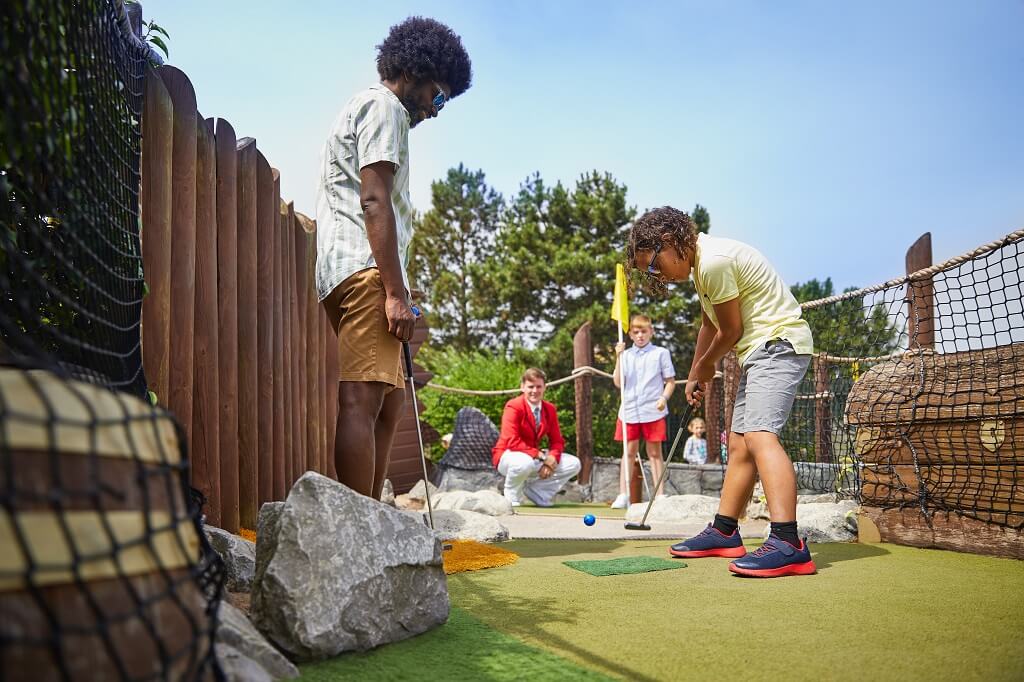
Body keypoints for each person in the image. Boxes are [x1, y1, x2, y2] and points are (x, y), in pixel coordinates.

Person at [315, 17, 472, 499]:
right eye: (439, 96)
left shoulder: (372, 108)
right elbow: (374, 199)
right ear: (416, 70)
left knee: (390, 402)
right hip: (365, 271)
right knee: (362, 399)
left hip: (357, 270)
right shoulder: (385, 107)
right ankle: (360, 530)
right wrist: (395, 292)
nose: (438, 109)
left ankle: (372, 516)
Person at [627, 206, 816, 578]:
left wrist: (706, 367)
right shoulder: (702, 267)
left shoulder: (714, 262)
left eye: (653, 265)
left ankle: (788, 543)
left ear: (670, 241)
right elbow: (709, 324)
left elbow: (730, 331)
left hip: (778, 345)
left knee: (761, 436)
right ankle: (725, 531)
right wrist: (696, 370)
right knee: (742, 443)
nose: (657, 275)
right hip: (760, 351)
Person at [610, 314, 676, 508]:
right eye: (636, 332)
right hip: (629, 409)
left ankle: (660, 494)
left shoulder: (661, 353)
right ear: (630, 334)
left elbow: (670, 382)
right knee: (628, 451)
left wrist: (664, 398)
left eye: (644, 331)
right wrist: (618, 357)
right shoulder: (626, 355)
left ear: (651, 332)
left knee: (654, 452)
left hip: (652, 409)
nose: (640, 335)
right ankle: (623, 494)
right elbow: (618, 382)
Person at [491, 368, 582, 507]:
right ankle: (510, 495)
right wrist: (542, 457)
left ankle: (538, 492)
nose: (535, 390)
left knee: (574, 464)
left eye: (539, 386)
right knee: (524, 463)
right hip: (507, 456)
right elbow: (512, 440)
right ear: (522, 387)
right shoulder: (513, 406)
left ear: (545, 387)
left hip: (533, 457)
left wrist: (552, 458)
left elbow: (557, 441)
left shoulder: (549, 409)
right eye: (530, 386)